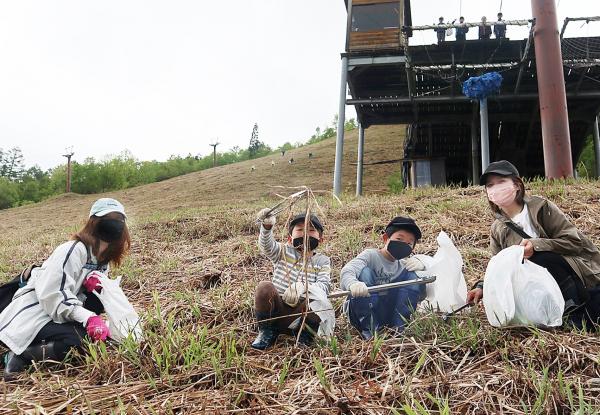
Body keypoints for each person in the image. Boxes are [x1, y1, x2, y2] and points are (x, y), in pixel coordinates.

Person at [0, 198, 131, 379]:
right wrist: (89, 318)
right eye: (107, 218)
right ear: (93, 222)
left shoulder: (102, 261)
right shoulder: (72, 250)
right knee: (79, 342)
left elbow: (92, 301)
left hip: (60, 314)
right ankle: (20, 355)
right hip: (39, 312)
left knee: (97, 331)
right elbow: (52, 295)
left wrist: (96, 291)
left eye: (119, 219)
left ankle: (56, 338)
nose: (114, 224)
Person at [466, 161, 600, 328]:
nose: (496, 189)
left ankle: (574, 312)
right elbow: (498, 265)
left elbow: (574, 241)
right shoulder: (497, 229)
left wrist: (536, 245)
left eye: (501, 182)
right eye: (490, 185)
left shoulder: (541, 208)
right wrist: (481, 287)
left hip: (572, 272)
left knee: (539, 256)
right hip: (534, 286)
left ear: (516, 185)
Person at [251, 210, 332, 350]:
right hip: (277, 312)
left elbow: (324, 286)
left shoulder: (322, 261)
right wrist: (266, 227)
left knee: (320, 302)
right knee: (264, 287)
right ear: (289, 238)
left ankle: (305, 336)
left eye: (311, 230)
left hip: (301, 316)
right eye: (300, 229)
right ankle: (267, 331)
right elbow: (267, 246)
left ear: (321, 239)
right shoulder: (283, 251)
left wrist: (304, 287)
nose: (306, 233)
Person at [340, 217, 427, 340]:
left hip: (389, 311)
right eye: (399, 239)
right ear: (386, 238)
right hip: (363, 310)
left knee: (413, 276)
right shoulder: (370, 256)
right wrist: (353, 283)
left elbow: (422, 295)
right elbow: (348, 270)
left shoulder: (405, 265)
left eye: (409, 243)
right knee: (365, 273)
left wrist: (423, 269)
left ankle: (399, 328)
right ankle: (370, 330)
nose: (403, 245)